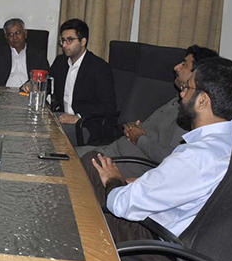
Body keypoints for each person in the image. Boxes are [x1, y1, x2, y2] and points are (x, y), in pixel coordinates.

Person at [88, 57, 232, 247]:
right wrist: (138, 183)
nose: (181, 95)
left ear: (203, 101)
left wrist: (113, 179)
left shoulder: (195, 156)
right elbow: (182, 186)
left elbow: (121, 204)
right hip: (198, 243)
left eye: (187, 88)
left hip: (161, 245)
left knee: (89, 168)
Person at [76, 45, 218, 176]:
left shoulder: (190, 113)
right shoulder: (176, 100)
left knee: (68, 163)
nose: (176, 67)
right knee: (62, 152)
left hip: (124, 164)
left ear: (197, 74)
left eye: (184, 64)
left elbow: (172, 159)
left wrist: (139, 138)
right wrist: (133, 128)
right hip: (113, 150)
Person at [49, 18, 116, 145]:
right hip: (62, 117)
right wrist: (33, 84)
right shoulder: (60, 62)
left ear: (83, 41)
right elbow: (48, 82)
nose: (64, 45)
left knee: (47, 134)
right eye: (63, 40)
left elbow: (109, 107)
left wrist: (78, 117)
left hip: (87, 125)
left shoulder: (99, 67)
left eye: (69, 40)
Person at [0, 18, 50, 87]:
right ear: (6, 37)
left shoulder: (38, 54)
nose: (15, 37)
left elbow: (46, 78)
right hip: (4, 93)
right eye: (10, 34)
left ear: (25, 33)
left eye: (18, 33)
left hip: (28, 94)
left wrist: (32, 86)